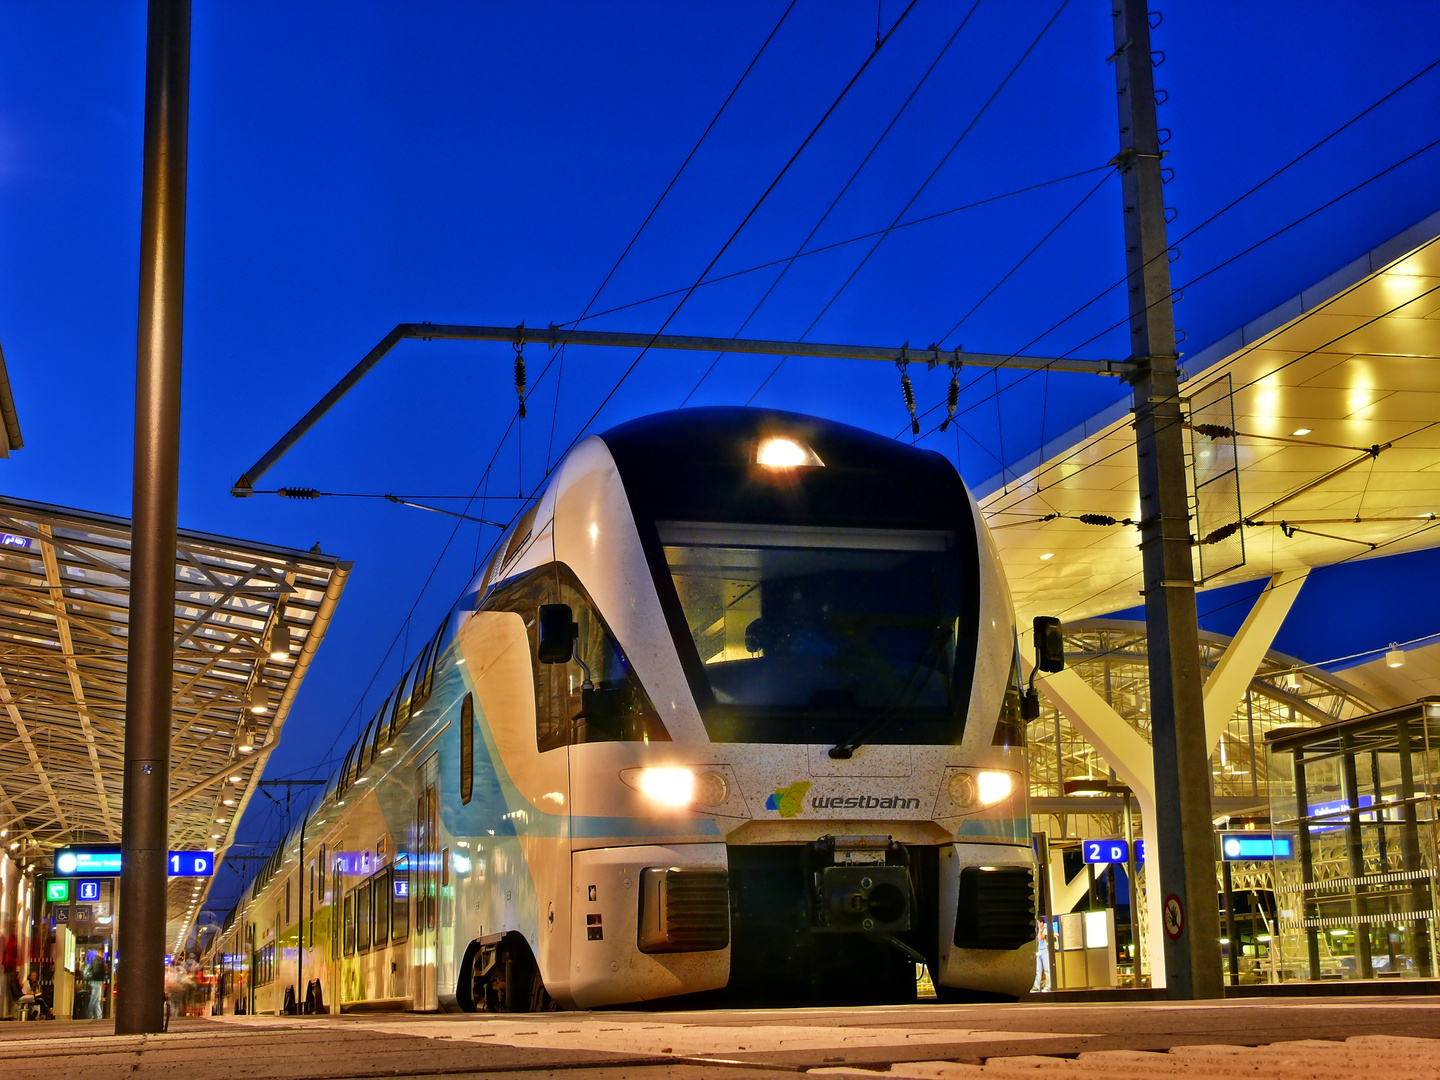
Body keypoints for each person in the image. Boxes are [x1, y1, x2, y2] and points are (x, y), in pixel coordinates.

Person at [85, 951, 107, 1019]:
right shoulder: (98, 961)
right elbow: (97, 972)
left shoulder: (96, 960)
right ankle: (89, 1014)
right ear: (101, 953)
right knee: (94, 999)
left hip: (96, 982)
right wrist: (104, 971)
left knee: (97, 1000)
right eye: (103, 953)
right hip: (97, 982)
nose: (103, 955)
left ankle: (98, 1016)